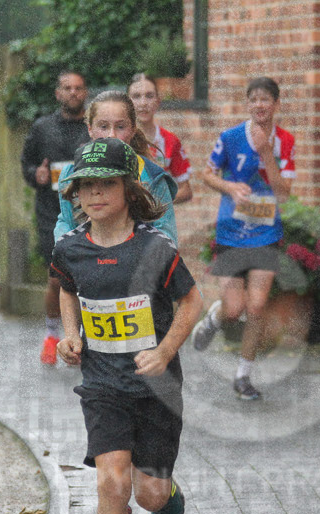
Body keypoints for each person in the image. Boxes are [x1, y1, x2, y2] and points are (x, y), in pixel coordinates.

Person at [52, 138, 200, 514]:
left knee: (149, 497)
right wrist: (71, 335)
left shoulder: (155, 248)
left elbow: (192, 304)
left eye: (105, 185)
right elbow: (67, 290)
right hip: (103, 386)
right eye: (85, 187)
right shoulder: (70, 248)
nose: (94, 195)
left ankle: (168, 494)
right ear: (75, 195)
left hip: (156, 391)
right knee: (111, 483)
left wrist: (163, 351)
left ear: (127, 190)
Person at [191, 77, 296, 401]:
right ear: (248, 104)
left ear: (276, 105)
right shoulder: (230, 137)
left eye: (266, 99)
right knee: (235, 309)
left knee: (258, 305)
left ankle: (243, 375)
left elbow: (284, 193)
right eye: (254, 99)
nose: (260, 105)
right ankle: (216, 317)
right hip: (232, 232)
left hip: (266, 231)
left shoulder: (285, 142)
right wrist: (230, 187)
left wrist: (267, 154)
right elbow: (207, 173)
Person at [20, 71, 90, 365]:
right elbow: (27, 163)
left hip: (89, 213)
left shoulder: (93, 127)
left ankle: (84, 339)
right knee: (56, 281)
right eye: (67, 88)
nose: (73, 93)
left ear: (85, 93)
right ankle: (51, 335)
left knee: (88, 280)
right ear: (58, 94)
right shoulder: (42, 128)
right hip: (52, 213)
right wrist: (35, 174)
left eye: (78, 88)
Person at [53, 90, 178, 247]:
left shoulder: (152, 176)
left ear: (133, 129)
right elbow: (65, 221)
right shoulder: (71, 174)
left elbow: (168, 240)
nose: (111, 135)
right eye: (103, 126)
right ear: (90, 128)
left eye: (120, 126)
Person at [127, 73, 193, 203]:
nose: (143, 103)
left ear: (158, 101)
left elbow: (186, 190)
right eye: (136, 96)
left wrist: (157, 203)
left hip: (158, 221)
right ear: (127, 102)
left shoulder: (170, 140)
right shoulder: (118, 139)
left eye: (149, 96)